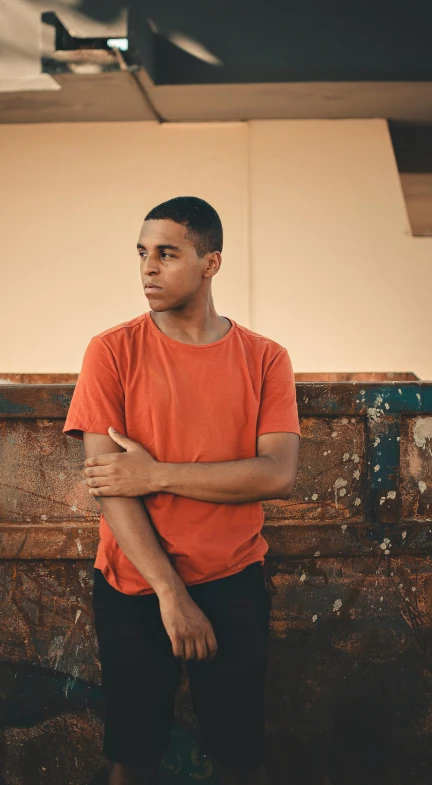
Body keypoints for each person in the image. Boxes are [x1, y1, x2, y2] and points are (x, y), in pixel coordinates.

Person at [63, 196, 301, 785]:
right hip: (134, 585)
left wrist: (159, 473)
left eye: (166, 253)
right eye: (142, 253)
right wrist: (171, 593)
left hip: (235, 580)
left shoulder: (265, 358)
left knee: (241, 758)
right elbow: (110, 484)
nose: (147, 267)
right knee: (133, 757)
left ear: (210, 262)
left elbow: (276, 473)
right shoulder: (111, 351)